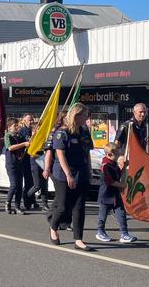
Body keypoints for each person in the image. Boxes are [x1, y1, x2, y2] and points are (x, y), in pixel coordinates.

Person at [48, 103, 94, 251]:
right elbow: (60, 155)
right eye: (85, 115)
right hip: (63, 174)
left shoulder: (85, 131)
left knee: (79, 207)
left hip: (81, 173)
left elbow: (87, 152)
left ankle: (78, 239)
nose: (86, 118)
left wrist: (89, 170)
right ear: (76, 115)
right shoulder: (62, 132)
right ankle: (53, 227)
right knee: (62, 206)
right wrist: (69, 174)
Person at [95, 143, 137, 243]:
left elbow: (117, 175)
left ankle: (124, 234)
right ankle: (100, 232)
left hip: (115, 195)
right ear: (109, 154)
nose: (118, 156)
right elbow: (110, 181)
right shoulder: (105, 166)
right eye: (117, 155)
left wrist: (124, 167)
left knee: (121, 213)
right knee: (103, 215)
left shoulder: (113, 163)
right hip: (106, 195)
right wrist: (123, 185)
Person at [4, 118, 28, 215]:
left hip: (20, 163)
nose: (17, 127)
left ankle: (17, 206)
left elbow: (27, 142)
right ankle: (7, 204)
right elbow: (10, 148)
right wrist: (23, 144)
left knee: (19, 186)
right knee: (14, 184)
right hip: (11, 164)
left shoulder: (20, 136)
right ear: (9, 127)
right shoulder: (7, 136)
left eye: (17, 125)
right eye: (15, 126)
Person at [18, 114, 38, 210]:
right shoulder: (21, 131)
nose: (31, 121)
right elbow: (21, 145)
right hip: (25, 159)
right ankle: (27, 201)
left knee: (34, 182)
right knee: (28, 181)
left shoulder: (33, 130)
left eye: (32, 120)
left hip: (33, 159)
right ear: (24, 121)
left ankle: (33, 200)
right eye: (29, 120)